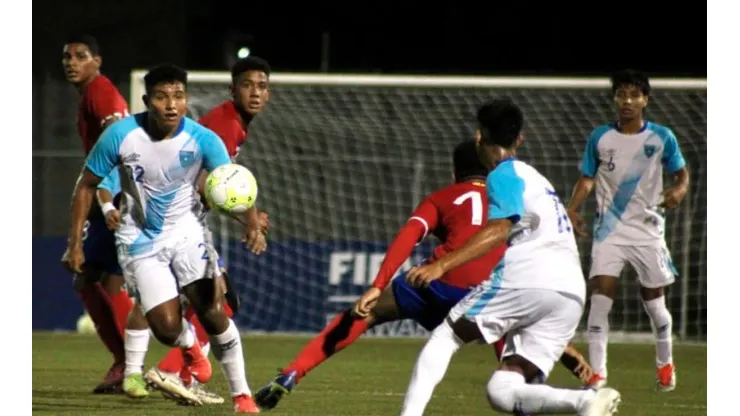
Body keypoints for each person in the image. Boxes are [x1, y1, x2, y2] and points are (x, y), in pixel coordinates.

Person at [255, 140, 595, 411]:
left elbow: (407, 239)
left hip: (436, 284)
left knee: (366, 313)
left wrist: (376, 286)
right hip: (492, 289)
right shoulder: (511, 191)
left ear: (454, 171)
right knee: (512, 347)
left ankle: (292, 373)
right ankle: (553, 383)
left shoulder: (442, 197)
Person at [398, 99, 621, 416]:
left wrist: (440, 265)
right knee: (503, 391)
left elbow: (500, 228)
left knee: (446, 336)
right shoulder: (538, 180)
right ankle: (586, 401)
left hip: (530, 277)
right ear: (520, 139)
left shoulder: (502, 174)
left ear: (479, 137)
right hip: (570, 294)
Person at [61, 64, 263, 413]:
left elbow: (230, 186)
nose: (171, 104)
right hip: (140, 239)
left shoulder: (203, 140)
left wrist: (250, 222)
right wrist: (75, 242)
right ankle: (189, 348)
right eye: (162, 96)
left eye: (179, 96)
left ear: (186, 101)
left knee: (214, 311)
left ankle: (242, 396)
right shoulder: (120, 135)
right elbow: (86, 186)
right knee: (167, 328)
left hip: (187, 232)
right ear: (146, 100)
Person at [127, 56, 273, 405]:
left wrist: (246, 216)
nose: (255, 93)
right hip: (175, 223)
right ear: (232, 89)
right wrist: (249, 220)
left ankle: (164, 370)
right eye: (247, 85)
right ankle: (173, 371)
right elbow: (208, 179)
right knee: (219, 300)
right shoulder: (224, 123)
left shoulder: (235, 123)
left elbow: (213, 182)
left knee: (201, 300)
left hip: (178, 219)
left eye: (262, 86)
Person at [566, 69, 689, 391]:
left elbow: (682, 174)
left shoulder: (662, 137)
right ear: (614, 99)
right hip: (609, 231)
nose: (627, 101)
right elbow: (588, 177)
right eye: (621, 95)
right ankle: (598, 377)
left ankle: (665, 363)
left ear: (645, 100)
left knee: (655, 305)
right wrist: (573, 207)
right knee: (599, 301)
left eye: (634, 95)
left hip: (648, 231)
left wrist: (679, 190)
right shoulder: (600, 137)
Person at [61, 34, 134, 394]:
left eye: (80, 56)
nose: (71, 62)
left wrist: (106, 202)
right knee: (105, 281)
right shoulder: (93, 93)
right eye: (67, 57)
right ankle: (128, 365)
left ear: (97, 61)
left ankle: (130, 363)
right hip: (118, 196)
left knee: (86, 274)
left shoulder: (100, 92)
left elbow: (116, 147)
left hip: (115, 199)